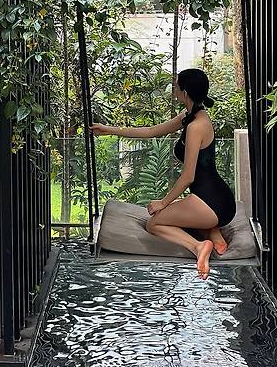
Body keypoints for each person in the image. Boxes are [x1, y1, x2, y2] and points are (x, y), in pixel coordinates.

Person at [91, 68, 236, 280]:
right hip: (216, 199)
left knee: (154, 223)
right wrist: (109, 129)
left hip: (210, 202)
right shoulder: (192, 116)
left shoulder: (196, 126)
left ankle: (198, 246)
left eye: (176, 85)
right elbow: (151, 131)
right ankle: (212, 231)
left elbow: (188, 177)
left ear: (184, 92)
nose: (173, 88)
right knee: (172, 214)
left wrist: (163, 202)